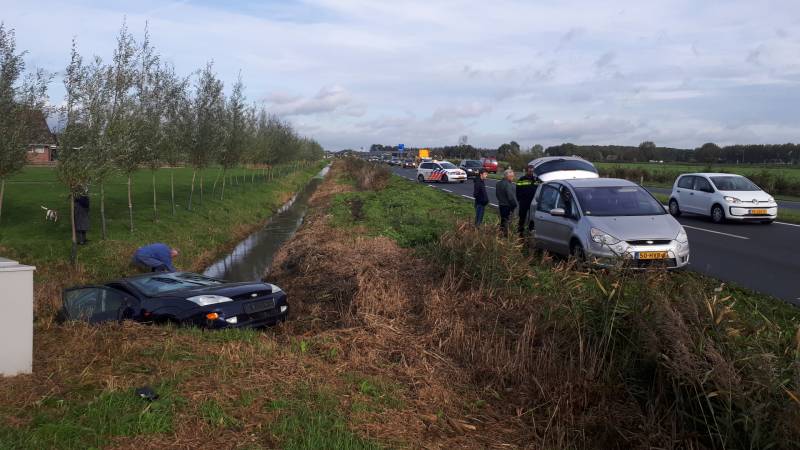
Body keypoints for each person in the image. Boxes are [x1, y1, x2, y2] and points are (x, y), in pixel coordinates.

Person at [515, 165, 540, 237]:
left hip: (533, 202)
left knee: (532, 217)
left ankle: (530, 231)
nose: (531, 172)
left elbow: (540, 187)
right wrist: (519, 199)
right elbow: (518, 190)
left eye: (532, 171)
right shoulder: (522, 179)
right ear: (527, 171)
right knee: (522, 217)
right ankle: (520, 232)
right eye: (529, 171)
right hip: (524, 201)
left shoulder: (536, 179)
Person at [496, 169, 518, 236]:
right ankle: (505, 236)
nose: (513, 178)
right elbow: (510, 197)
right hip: (508, 206)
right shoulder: (508, 185)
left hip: (501, 205)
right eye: (512, 176)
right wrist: (514, 205)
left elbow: (497, 195)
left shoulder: (498, 183)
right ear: (508, 176)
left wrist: (500, 201)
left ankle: (501, 234)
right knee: (507, 222)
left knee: (502, 221)